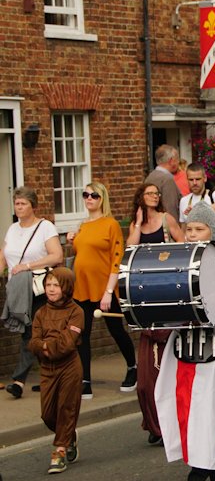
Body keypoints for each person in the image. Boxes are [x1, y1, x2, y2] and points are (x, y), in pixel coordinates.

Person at [155, 202, 215, 481]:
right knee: (180, 404)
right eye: (189, 229)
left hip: (211, 346)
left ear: (213, 231)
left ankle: (199, 472)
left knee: (204, 409)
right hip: (182, 343)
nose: (193, 234)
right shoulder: (175, 260)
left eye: (200, 228)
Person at [125, 183, 184, 446]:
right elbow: (129, 252)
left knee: (167, 366)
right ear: (141, 197)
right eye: (149, 193)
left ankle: (169, 421)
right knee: (147, 377)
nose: (154, 196)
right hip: (145, 292)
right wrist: (138, 224)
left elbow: (183, 247)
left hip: (168, 289)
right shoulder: (136, 223)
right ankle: (154, 422)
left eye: (156, 194)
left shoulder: (166, 219)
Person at [67, 181, 135, 399]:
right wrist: (72, 240)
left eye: (94, 195)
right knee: (82, 334)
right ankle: (85, 379)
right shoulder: (82, 225)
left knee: (115, 329)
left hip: (105, 287)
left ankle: (132, 367)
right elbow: (83, 254)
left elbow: (117, 258)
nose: (89, 198)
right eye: (85, 194)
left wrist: (108, 291)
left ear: (102, 198)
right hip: (82, 287)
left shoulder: (110, 224)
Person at [1, 187, 64, 399]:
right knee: (33, 333)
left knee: (31, 333)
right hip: (17, 290)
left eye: (23, 203)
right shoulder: (12, 229)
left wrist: (28, 265)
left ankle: (18, 381)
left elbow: (57, 256)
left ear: (33, 206)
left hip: (38, 288)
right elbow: (4, 256)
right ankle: (52, 377)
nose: (19, 207)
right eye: (17, 203)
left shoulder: (45, 227)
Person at [28, 267, 83, 474]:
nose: (51, 289)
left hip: (69, 366)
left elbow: (67, 344)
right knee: (47, 414)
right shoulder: (40, 313)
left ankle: (59, 451)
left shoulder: (76, 312)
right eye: (48, 285)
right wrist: (42, 346)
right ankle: (70, 436)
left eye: (56, 285)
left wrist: (44, 346)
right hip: (46, 368)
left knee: (65, 408)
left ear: (66, 287)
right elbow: (32, 342)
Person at [179, 162, 215, 230]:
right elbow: (183, 228)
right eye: (191, 180)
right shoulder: (184, 200)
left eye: (198, 179)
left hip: (214, 240)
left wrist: (197, 210)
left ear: (205, 178)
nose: (194, 183)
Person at [144, 144, 182, 218]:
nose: (178, 162)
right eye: (177, 159)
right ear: (171, 161)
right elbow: (171, 209)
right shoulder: (167, 179)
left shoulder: (149, 177)